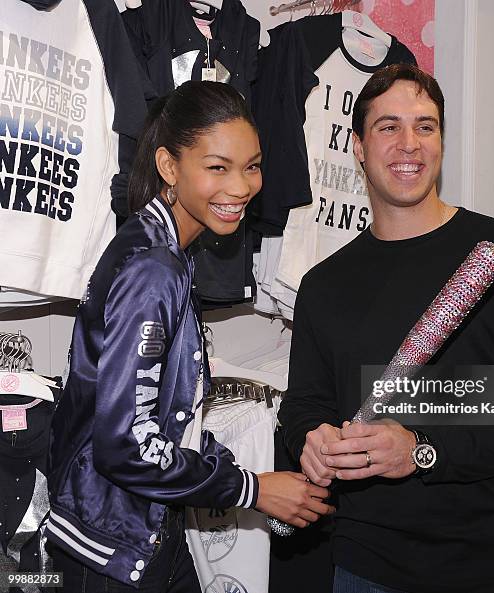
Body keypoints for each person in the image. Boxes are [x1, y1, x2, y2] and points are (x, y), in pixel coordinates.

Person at [278, 64, 494, 593]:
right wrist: (309, 437)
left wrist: (423, 448)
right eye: (389, 127)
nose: (410, 144)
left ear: (441, 142)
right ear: (358, 146)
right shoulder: (323, 284)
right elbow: (306, 401)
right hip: (365, 567)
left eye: (425, 126)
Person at [46, 81, 333, 592]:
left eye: (252, 166)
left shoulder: (157, 247)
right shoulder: (155, 268)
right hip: (112, 546)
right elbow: (126, 445)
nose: (242, 187)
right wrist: (251, 489)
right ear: (169, 166)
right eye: (217, 167)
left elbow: (160, 418)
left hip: (144, 527)